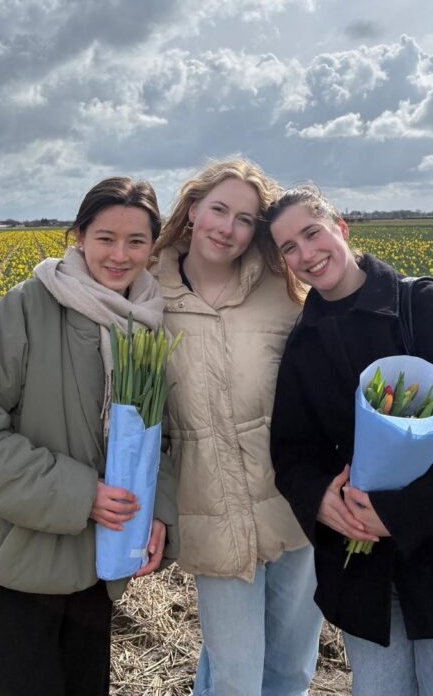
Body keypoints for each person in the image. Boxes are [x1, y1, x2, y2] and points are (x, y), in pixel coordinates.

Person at [267, 185, 433, 696]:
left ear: (341, 228)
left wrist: (398, 516)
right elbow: (292, 450)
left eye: (312, 233)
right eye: (289, 248)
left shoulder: (421, 307)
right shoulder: (304, 340)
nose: (306, 254)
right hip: (365, 580)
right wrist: (318, 499)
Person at [0, 177, 179, 696]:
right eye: (105, 237)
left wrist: (158, 512)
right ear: (79, 236)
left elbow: (162, 436)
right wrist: (80, 494)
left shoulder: (149, 325)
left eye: (136, 241)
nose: (120, 255)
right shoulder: (26, 308)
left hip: (96, 566)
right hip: (13, 562)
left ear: (152, 247)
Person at [151, 157, 323, 696]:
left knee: (290, 672)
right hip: (212, 515)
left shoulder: (283, 289)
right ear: (192, 209)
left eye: (245, 219)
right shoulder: (147, 294)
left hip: (295, 508)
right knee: (236, 680)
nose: (228, 228)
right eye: (219, 210)